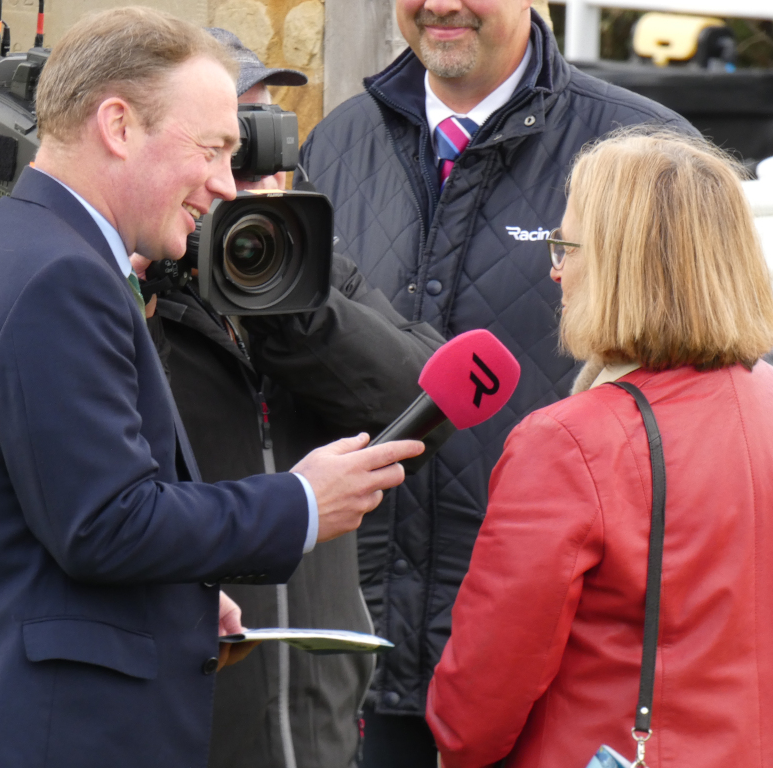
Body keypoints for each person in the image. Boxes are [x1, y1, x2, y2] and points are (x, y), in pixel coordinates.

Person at [0, 10, 424, 768]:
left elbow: (44, 517)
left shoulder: (25, 246)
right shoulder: (63, 278)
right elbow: (104, 523)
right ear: (118, 125)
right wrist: (302, 503)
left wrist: (175, 600)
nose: (223, 185)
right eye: (211, 149)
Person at [297, 1, 697, 762]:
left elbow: (706, 411)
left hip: (556, 682)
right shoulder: (337, 145)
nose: (441, 5)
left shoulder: (642, 154)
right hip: (361, 661)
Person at [425, 129, 773, 768]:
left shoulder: (569, 443)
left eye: (567, 246)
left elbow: (479, 702)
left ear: (625, 264)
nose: (554, 267)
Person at [134, 29, 443, 768]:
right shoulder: (120, 292)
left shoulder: (308, 275)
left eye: (265, 150)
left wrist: (288, 307)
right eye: (222, 153)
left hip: (316, 718)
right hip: (181, 714)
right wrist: (147, 284)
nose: (241, 182)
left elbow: (419, 413)